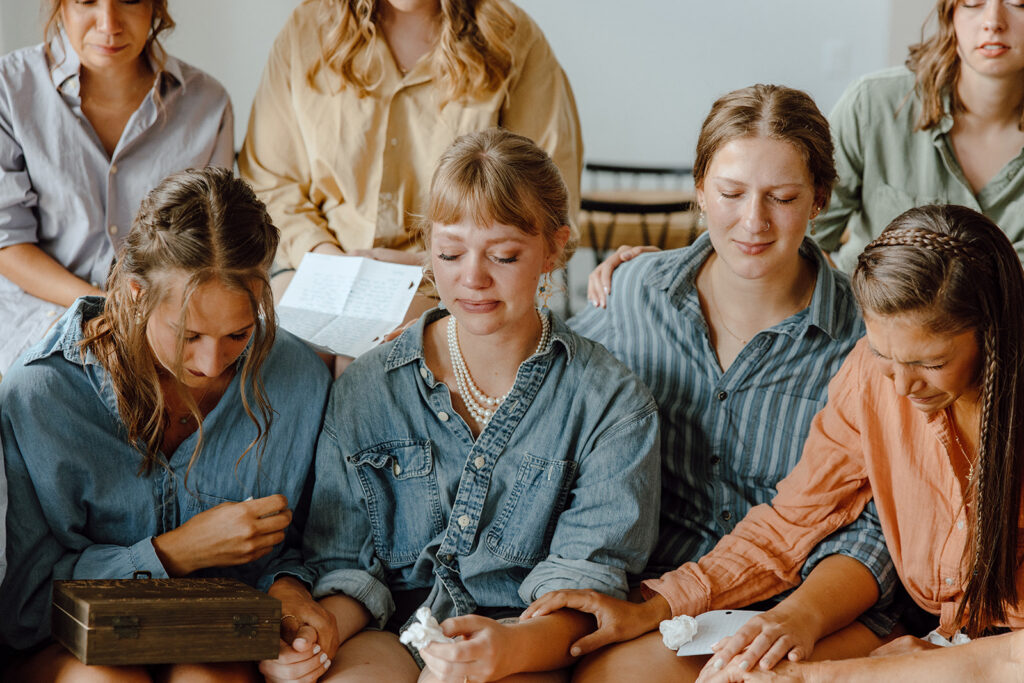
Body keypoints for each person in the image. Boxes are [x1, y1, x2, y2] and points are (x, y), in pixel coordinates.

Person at [523, 85, 897, 682]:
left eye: (782, 197)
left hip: (808, 597)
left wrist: (797, 617)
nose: (754, 221)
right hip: (658, 588)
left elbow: (880, 525)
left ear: (819, 199)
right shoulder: (637, 292)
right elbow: (537, 376)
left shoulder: (868, 335)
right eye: (730, 193)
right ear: (699, 190)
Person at [301, 128, 659, 682]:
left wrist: (510, 648)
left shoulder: (610, 402)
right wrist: (319, 631)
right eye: (449, 253)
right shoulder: (369, 388)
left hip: (527, 638)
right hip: (392, 632)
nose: (472, 279)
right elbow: (346, 566)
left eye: (505, 255)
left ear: (554, 248)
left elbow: (584, 588)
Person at [643, 204, 1024, 683]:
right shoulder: (868, 375)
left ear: (993, 333)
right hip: (938, 641)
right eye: (884, 354)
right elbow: (793, 520)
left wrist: (862, 672)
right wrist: (657, 602)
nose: (903, 387)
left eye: (930, 362)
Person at [0, 168, 334, 683]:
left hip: (221, 644)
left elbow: (315, 547)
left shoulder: (298, 380)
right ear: (135, 293)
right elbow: (24, 609)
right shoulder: (40, 395)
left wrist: (289, 587)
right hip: (75, 651)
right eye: (188, 334)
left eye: (239, 334)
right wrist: (174, 552)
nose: (211, 362)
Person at [238, 0, 582, 303]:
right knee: (282, 355)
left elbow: (547, 208)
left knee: (371, 360)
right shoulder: (306, 30)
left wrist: (436, 263)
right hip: (316, 266)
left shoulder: (512, 39)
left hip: (450, 283)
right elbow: (270, 181)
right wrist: (327, 257)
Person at [0, 0, 234, 372]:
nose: (109, 25)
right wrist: (107, 306)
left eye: (129, 1)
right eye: (86, 2)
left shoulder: (208, 104)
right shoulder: (9, 89)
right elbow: (7, 243)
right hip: (37, 309)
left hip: (162, 316)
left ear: (156, 7)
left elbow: (210, 241)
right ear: (60, 6)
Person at [813, 0, 1024, 272]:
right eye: (973, 2)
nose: (993, 21)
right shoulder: (872, 105)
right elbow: (807, 240)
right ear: (950, 14)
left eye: (1018, 3)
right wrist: (848, 311)